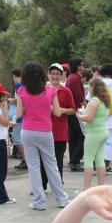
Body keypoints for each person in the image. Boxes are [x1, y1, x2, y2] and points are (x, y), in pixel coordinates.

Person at [17, 61, 70, 210]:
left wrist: (29, 109)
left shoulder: (21, 91)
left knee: (33, 167)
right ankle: (62, 199)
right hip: (45, 132)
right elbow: (58, 113)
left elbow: (19, 114)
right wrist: (47, 107)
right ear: (42, 75)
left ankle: (39, 202)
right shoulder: (50, 90)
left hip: (27, 131)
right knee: (52, 165)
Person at [40, 63, 76, 192]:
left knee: (57, 160)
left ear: (62, 76)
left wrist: (60, 110)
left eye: (57, 74)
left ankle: (58, 185)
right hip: (43, 131)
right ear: (48, 75)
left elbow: (73, 110)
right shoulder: (42, 90)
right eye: (52, 74)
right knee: (42, 160)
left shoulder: (66, 91)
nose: (55, 76)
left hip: (60, 132)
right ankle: (42, 185)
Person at [76, 78, 112, 190]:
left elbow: (89, 118)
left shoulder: (94, 101)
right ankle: (101, 187)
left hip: (94, 133)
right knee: (100, 159)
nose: (88, 89)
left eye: (89, 86)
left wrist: (79, 115)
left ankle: (86, 188)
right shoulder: (105, 100)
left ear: (93, 87)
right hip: (103, 131)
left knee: (88, 159)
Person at [66, 56, 86, 172]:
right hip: (76, 111)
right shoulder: (75, 79)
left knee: (73, 137)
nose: (83, 67)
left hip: (71, 111)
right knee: (83, 136)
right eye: (82, 65)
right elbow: (80, 97)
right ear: (78, 67)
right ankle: (75, 160)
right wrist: (87, 107)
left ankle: (73, 161)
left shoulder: (71, 78)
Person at [10, 68, 28, 170]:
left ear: (14, 76)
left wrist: (12, 100)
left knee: (17, 139)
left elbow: (20, 98)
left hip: (19, 116)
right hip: (25, 115)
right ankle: (26, 159)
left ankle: (26, 160)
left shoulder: (18, 84)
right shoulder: (26, 84)